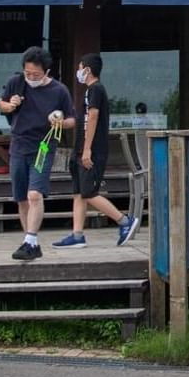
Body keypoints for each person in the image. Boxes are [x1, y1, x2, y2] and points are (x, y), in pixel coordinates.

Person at [53, 54, 139, 248]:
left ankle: (125, 221)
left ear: (88, 70)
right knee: (78, 192)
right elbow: (80, 120)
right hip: (81, 148)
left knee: (89, 192)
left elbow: (93, 117)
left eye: (80, 67)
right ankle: (77, 235)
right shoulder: (88, 91)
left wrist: (87, 150)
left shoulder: (96, 89)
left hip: (91, 150)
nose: (78, 72)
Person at [0, 45, 75, 261]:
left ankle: (30, 239)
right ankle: (30, 242)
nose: (31, 77)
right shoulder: (16, 82)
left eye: (36, 74)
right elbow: (0, 104)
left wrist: (60, 120)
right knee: (21, 198)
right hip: (18, 145)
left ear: (47, 72)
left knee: (35, 194)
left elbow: (72, 120)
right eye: (28, 73)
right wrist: (10, 105)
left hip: (43, 146)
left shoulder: (59, 90)